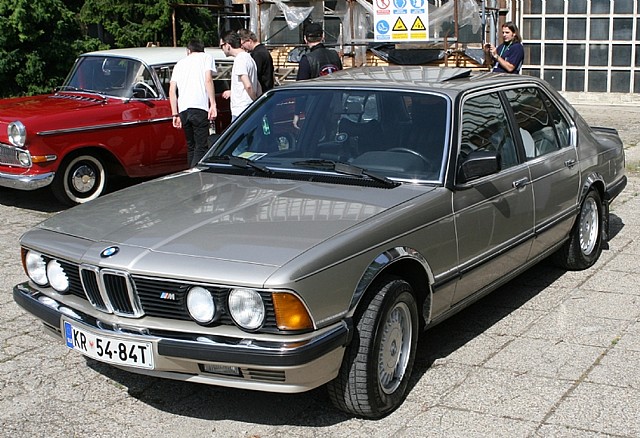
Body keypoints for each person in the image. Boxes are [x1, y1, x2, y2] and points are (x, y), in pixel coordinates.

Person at [169, 39, 217, 167]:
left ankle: (190, 172)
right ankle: (195, 174)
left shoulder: (179, 64)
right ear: (202, 49)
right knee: (201, 147)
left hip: (183, 110)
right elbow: (208, 80)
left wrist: (175, 114)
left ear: (188, 51)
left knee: (191, 147)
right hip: (199, 107)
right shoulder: (206, 57)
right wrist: (213, 104)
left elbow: (172, 91)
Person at [220, 30, 260, 122]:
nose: (222, 49)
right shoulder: (249, 58)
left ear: (228, 45)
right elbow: (257, 85)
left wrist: (256, 101)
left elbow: (248, 85)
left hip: (241, 110)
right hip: (248, 109)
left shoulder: (240, 60)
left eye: (222, 46)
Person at [237, 28, 274, 93]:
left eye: (242, 44)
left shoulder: (257, 54)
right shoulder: (262, 50)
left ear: (249, 41)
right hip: (266, 89)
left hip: (262, 90)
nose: (242, 47)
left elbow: (253, 74)